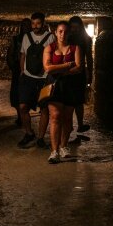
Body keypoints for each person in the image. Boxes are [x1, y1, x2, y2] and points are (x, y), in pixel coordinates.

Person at [43, 21, 82, 163]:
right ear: (55, 32)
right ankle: (54, 151)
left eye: (65, 31)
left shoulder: (75, 48)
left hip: (71, 87)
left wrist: (59, 70)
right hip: (55, 87)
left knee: (67, 119)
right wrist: (67, 65)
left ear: (69, 33)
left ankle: (63, 146)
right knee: (55, 116)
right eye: (60, 31)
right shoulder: (49, 48)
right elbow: (47, 68)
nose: (62, 34)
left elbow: (78, 68)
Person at [17, 12, 54, 147]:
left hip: (44, 80)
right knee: (22, 107)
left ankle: (40, 138)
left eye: (38, 23)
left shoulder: (50, 38)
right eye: (33, 23)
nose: (35, 26)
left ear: (43, 23)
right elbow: (22, 55)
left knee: (44, 109)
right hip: (28, 78)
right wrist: (22, 71)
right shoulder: (27, 37)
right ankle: (29, 133)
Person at [68, 16, 93, 133]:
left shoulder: (86, 39)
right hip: (67, 72)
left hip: (79, 73)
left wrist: (90, 75)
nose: (74, 30)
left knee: (78, 100)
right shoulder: (66, 38)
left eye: (76, 27)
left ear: (80, 27)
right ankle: (69, 125)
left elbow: (89, 57)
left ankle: (80, 124)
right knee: (69, 100)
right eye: (72, 27)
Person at [6, 18, 31, 126]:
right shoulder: (15, 39)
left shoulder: (34, 39)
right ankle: (20, 116)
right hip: (17, 70)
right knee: (16, 94)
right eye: (24, 25)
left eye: (27, 25)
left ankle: (24, 115)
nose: (25, 28)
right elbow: (10, 54)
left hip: (30, 70)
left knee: (28, 94)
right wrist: (13, 67)